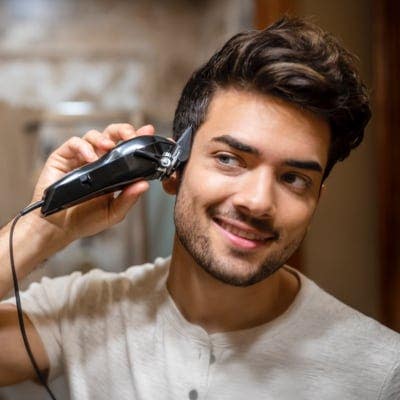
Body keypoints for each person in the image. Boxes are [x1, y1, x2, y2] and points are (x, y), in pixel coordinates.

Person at [0, 16, 399, 400]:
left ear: (315, 202)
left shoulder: (381, 371)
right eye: (230, 159)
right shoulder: (86, 314)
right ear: (173, 169)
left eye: (294, 179)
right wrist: (44, 228)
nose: (258, 201)